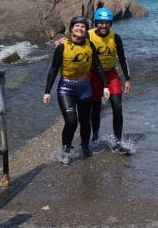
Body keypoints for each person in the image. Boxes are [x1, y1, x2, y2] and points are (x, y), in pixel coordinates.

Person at [43, 15, 110, 165]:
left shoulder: (90, 45)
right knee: (72, 121)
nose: (80, 28)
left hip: (85, 87)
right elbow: (53, 69)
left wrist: (105, 85)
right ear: (72, 29)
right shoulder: (62, 46)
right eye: (77, 26)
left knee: (86, 120)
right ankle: (66, 150)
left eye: (83, 26)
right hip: (66, 88)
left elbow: (98, 66)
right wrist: (47, 91)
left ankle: (85, 147)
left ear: (86, 30)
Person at [89, 7, 132, 153]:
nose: (103, 25)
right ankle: (95, 136)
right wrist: (62, 41)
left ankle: (118, 142)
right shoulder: (87, 36)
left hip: (111, 74)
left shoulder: (115, 37)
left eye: (107, 22)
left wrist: (127, 78)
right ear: (95, 22)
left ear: (111, 23)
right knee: (95, 109)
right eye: (100, 22)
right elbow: (72, 44)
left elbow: (122, 57)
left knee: (117, 107)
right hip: (93, 75)